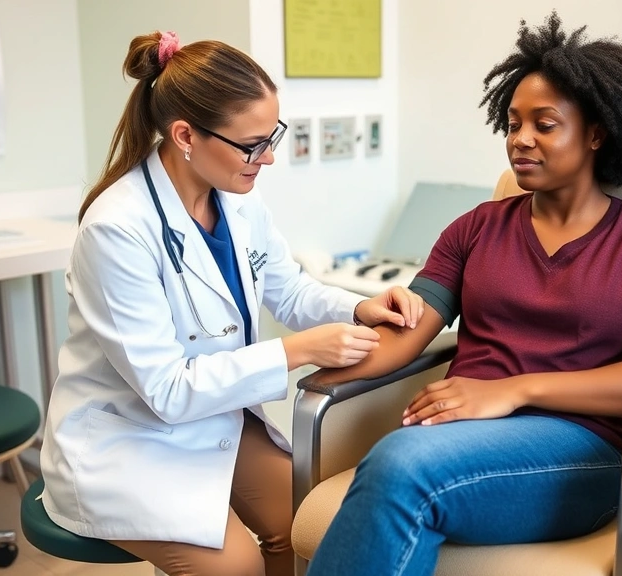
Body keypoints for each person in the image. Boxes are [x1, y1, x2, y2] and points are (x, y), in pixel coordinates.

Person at [305, 12, 622, 576]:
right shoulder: (475, 228)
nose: (520, 139)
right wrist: (298, 359)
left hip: (579, 451)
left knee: (401, 469)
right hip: (457, 433)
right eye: (512, 122)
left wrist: (515, 390)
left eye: (545, 124)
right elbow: (403, 340)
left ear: (596, 134)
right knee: (399, 466)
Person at [38, 31, 424, 576]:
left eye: (273, 137)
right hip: (129, 439)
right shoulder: (116, 230)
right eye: (252, 145)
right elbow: (168, 391)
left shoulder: (237, 198)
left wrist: (357, 308)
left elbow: (286, 287)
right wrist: (295, 352)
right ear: (185, 135)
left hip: (216, 415)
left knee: (318, 524)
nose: (267, 159)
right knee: (236, 565)